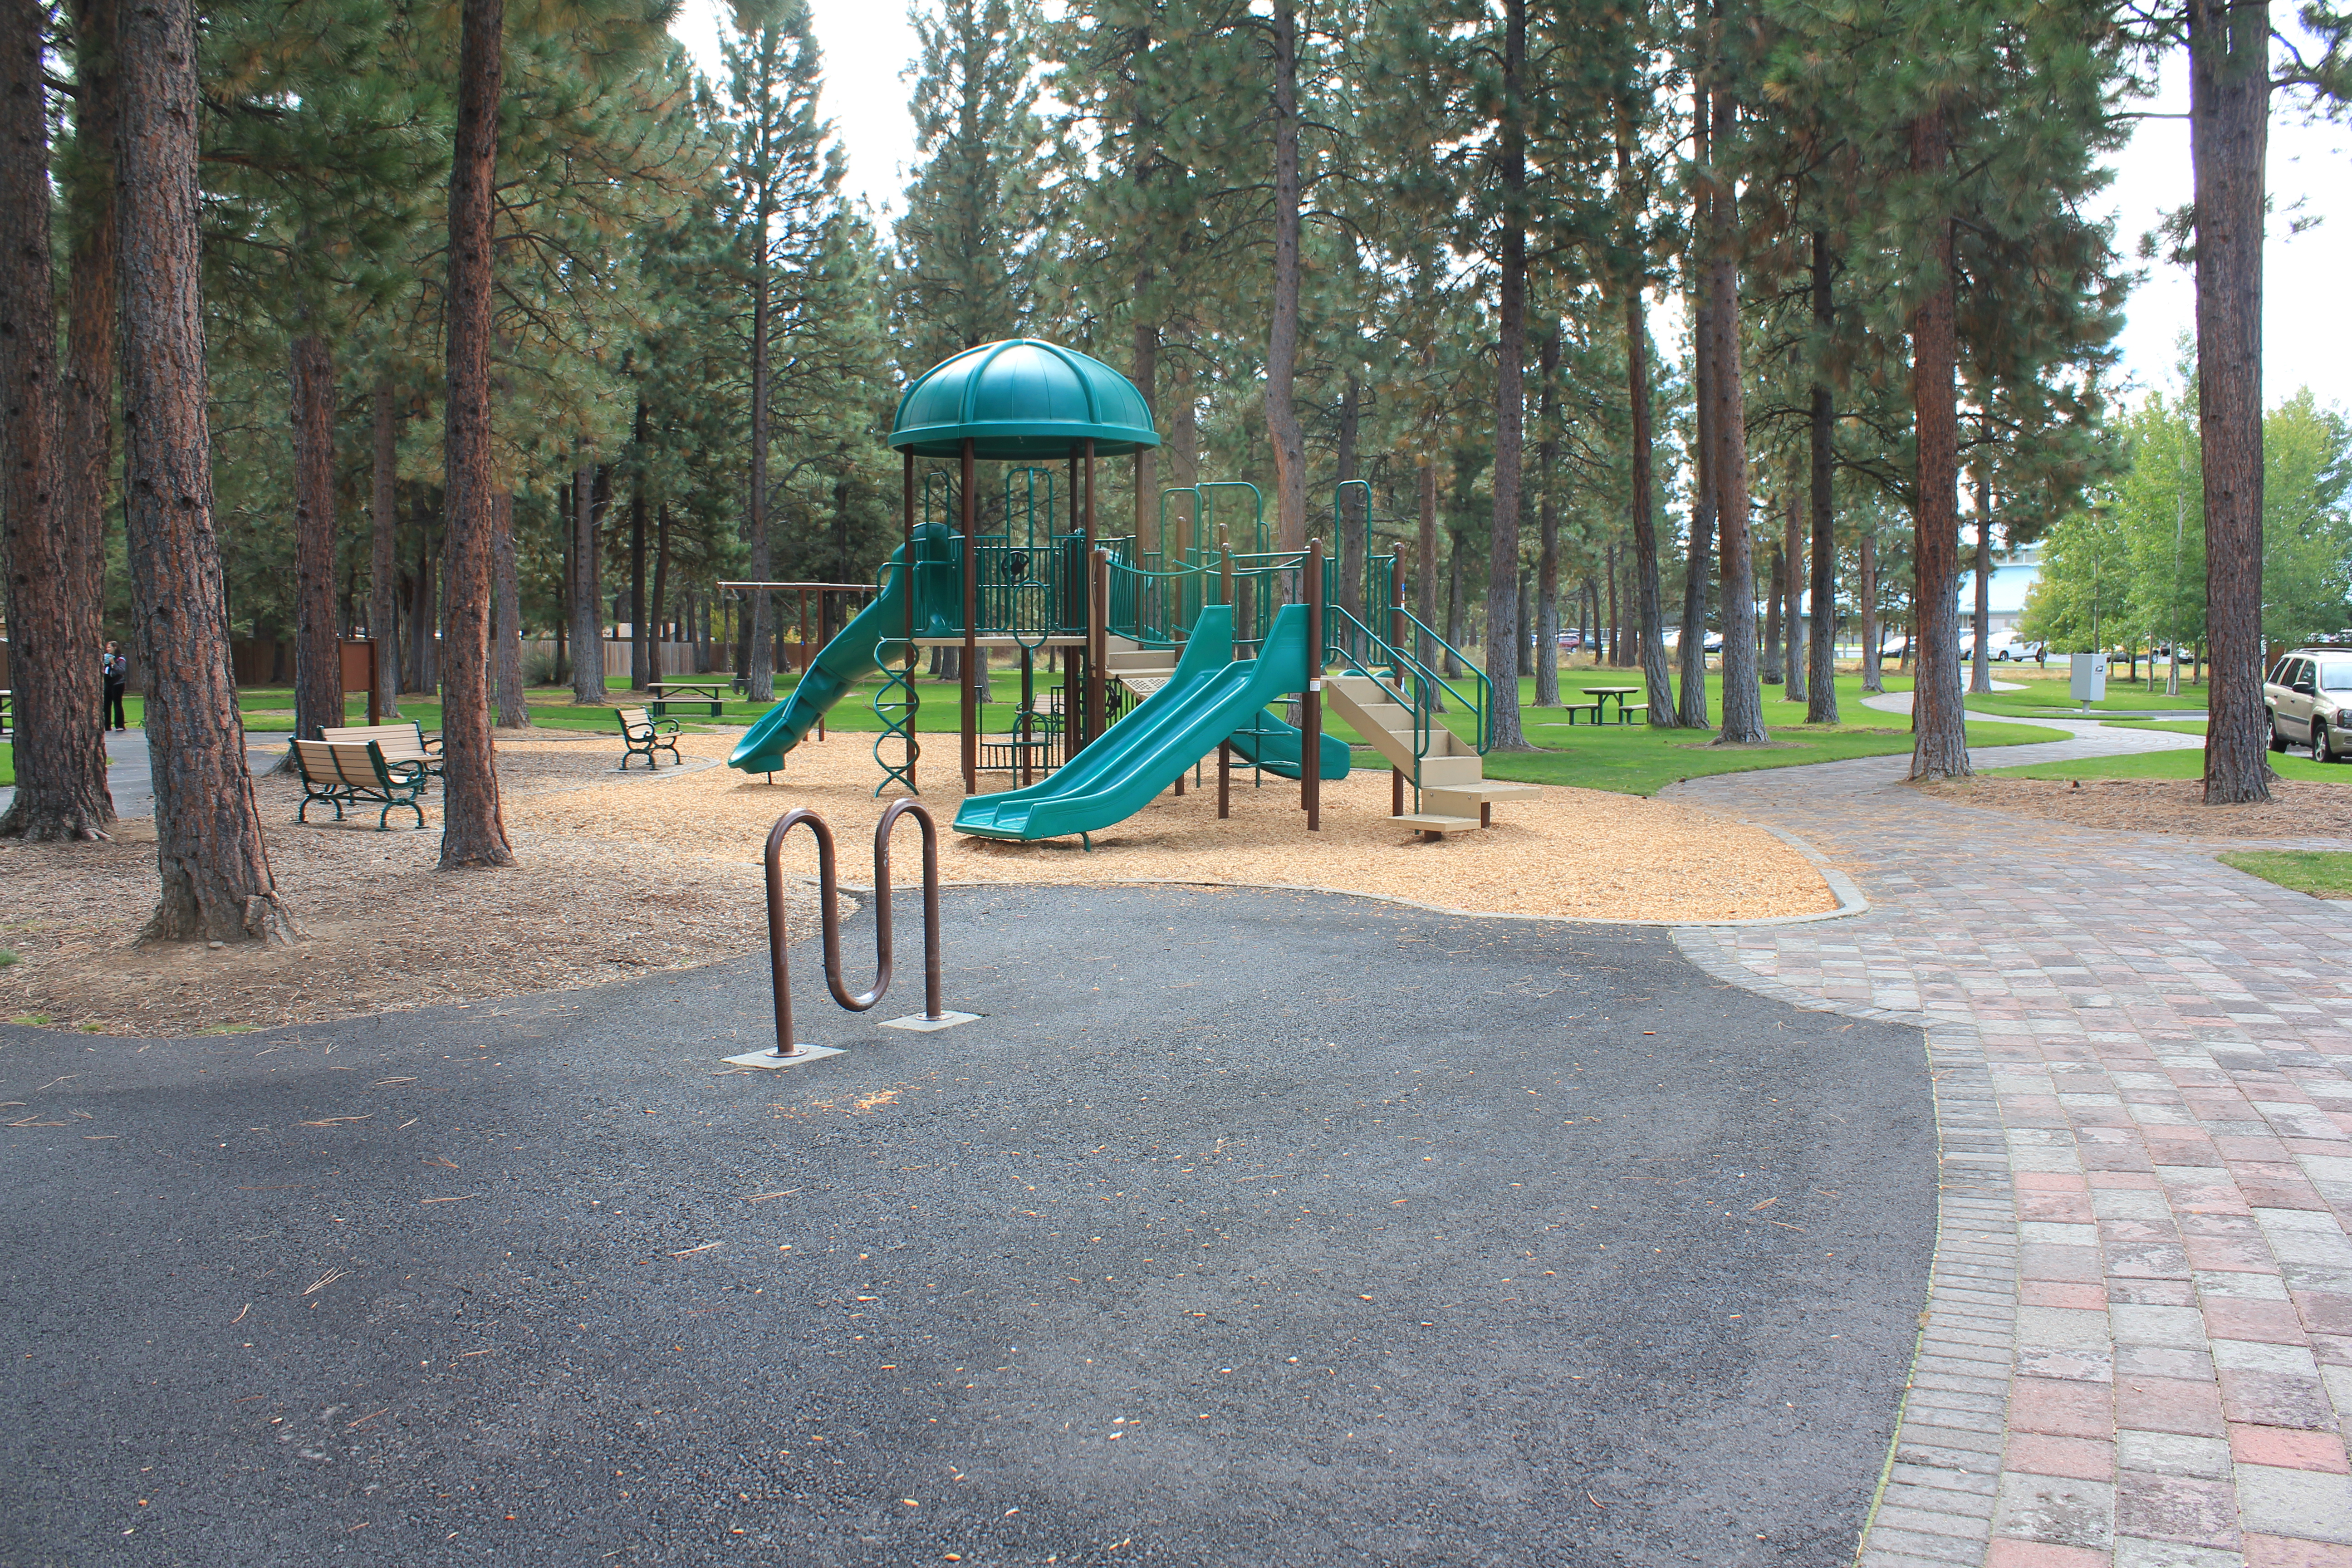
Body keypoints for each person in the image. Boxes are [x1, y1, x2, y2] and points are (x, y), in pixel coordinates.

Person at [102, 640, 127, 730]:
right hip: (108, 683)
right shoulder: (106, 658)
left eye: (109, 647)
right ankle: (106, 726)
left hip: (118, 684)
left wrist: (114, 664)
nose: (107, 649)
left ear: (115, 648)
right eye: (107, 647)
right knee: (106, 705)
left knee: (117, 704)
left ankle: (120, 725)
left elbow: (122, 671)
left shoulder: (121, 659)